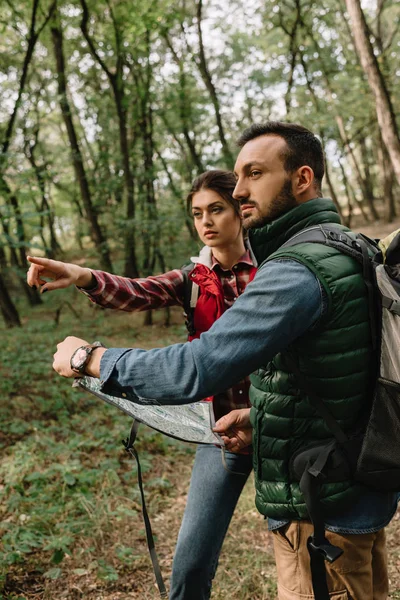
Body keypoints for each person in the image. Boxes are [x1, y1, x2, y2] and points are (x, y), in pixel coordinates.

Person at [41, 122, 398, 599]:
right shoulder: (344, 248)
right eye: (237, 177)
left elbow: (197, 367)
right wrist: (85, 275)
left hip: (319, 497)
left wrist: (89, 359)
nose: (241, 190)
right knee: (193, 560)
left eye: (253, 174)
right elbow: (342, 372)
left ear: (302, 179)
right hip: (316, 464)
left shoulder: (292, 270)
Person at [27, 170, 257, 600]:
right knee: (190, 563)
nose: (206, 221)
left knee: (309, 550)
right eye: (196, 213)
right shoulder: (192, 279)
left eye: (216, 209)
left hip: (279, 423)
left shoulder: (274, 269)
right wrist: (81, 275)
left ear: (240, 211)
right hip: (221, 431)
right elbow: (137, 291)